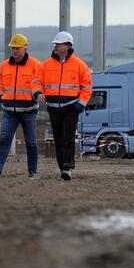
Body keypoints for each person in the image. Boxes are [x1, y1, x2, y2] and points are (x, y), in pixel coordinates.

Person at [0, 34, 43, 179]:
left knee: (31, 143)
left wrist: (37, 95)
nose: (14, 51)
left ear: (25, 48)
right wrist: (2, 96)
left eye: (17, 48)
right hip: (9, 111)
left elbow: (40, 84)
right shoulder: (4, 65)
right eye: (13, 48)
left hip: (29, 111)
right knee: (4, 140)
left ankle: (32, 172)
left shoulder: (36, 65)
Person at [36, 31, 92, 181]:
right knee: (58, 139)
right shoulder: (46, 65)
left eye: (58, 44)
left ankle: (67, 167)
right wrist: (36, 93)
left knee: (68, 138)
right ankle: (63, 167)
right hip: (53, 108)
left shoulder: (80, 65)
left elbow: (87, 87)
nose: (55, 46)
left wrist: (80, 104)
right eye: (55, 44)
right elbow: (36, 81)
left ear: (67, 46)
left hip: (71, 108)